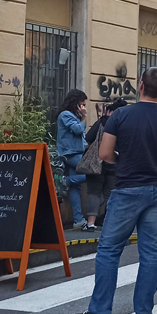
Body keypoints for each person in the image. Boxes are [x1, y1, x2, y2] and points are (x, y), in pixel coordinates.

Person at [74, 67, 157, 314]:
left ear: (141, 85)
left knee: (109, 249)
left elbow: (104, 154)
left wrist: (121, 160)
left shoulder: (121, 115)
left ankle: (100, 310)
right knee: (151, 251)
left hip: (128, 189)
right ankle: (143, 311)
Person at [84, 99, 125, 233]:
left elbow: (88, 138)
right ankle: (108, 221)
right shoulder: (126, 123)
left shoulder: (103, 122)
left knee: (94, 192)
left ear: (111, 111)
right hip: (115, 162)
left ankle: (91, 223)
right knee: (110, 193)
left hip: (97, 161)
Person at [57, 89, 89, 230]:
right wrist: (84, 117)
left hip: (75, 152)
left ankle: (78, 220)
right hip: (71, 154)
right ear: (75, 103)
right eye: (82, 104)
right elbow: (77, 130)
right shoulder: (65, 115)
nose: (84, 107)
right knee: (92, 174)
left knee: (76, 188)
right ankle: (66, 181)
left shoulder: (73, 116)